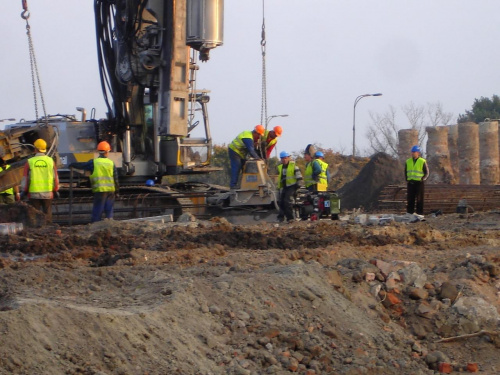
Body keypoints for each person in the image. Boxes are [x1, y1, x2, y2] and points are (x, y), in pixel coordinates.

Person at [69, 141, 119, 222]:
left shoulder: (94, 162)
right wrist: (117, 191)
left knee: (97, 211)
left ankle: (95, 227)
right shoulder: (111, 163)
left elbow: (82, 165)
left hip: (100, 191)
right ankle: (110, 226)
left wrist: (72, 164)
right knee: (109, 211)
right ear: (107, 152)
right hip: (110, 191)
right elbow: (116, 179)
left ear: (98, 151)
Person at [21, 138, 59, 223]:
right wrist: (55, 190)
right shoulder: (50, 161)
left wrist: (24, 191)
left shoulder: (30, 162)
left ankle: (36, 231)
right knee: (47, 213)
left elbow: (26, 179)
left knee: (34, 215)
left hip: (34, 193)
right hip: (48, 193)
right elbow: (55, 177)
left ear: (35, 149)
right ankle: (49, 230)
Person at [277, 151, 303, 222]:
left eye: (285, 158)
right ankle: (281, 217)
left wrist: (298, 186)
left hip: (292, 186)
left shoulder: (294, 166)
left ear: (288, 158)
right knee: (281, 201)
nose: (284, 160)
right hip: (285, 186)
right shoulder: (280, 167)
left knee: (288, 201)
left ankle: (290, 218)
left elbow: (299, 177)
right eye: (282, 158)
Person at [405, 145, 429, 215]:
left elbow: (426, 172)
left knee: (419, 199)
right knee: (410, 199)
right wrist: (407, 179)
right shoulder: (408, 161)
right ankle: (409, 213)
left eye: (414, 152)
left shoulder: (422, 161)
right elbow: (405, 171)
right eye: (412, 152)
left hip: (419, 183)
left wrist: (422, 179)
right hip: (410, 183)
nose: (412, 153)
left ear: (418, 153)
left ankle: (419, 213)